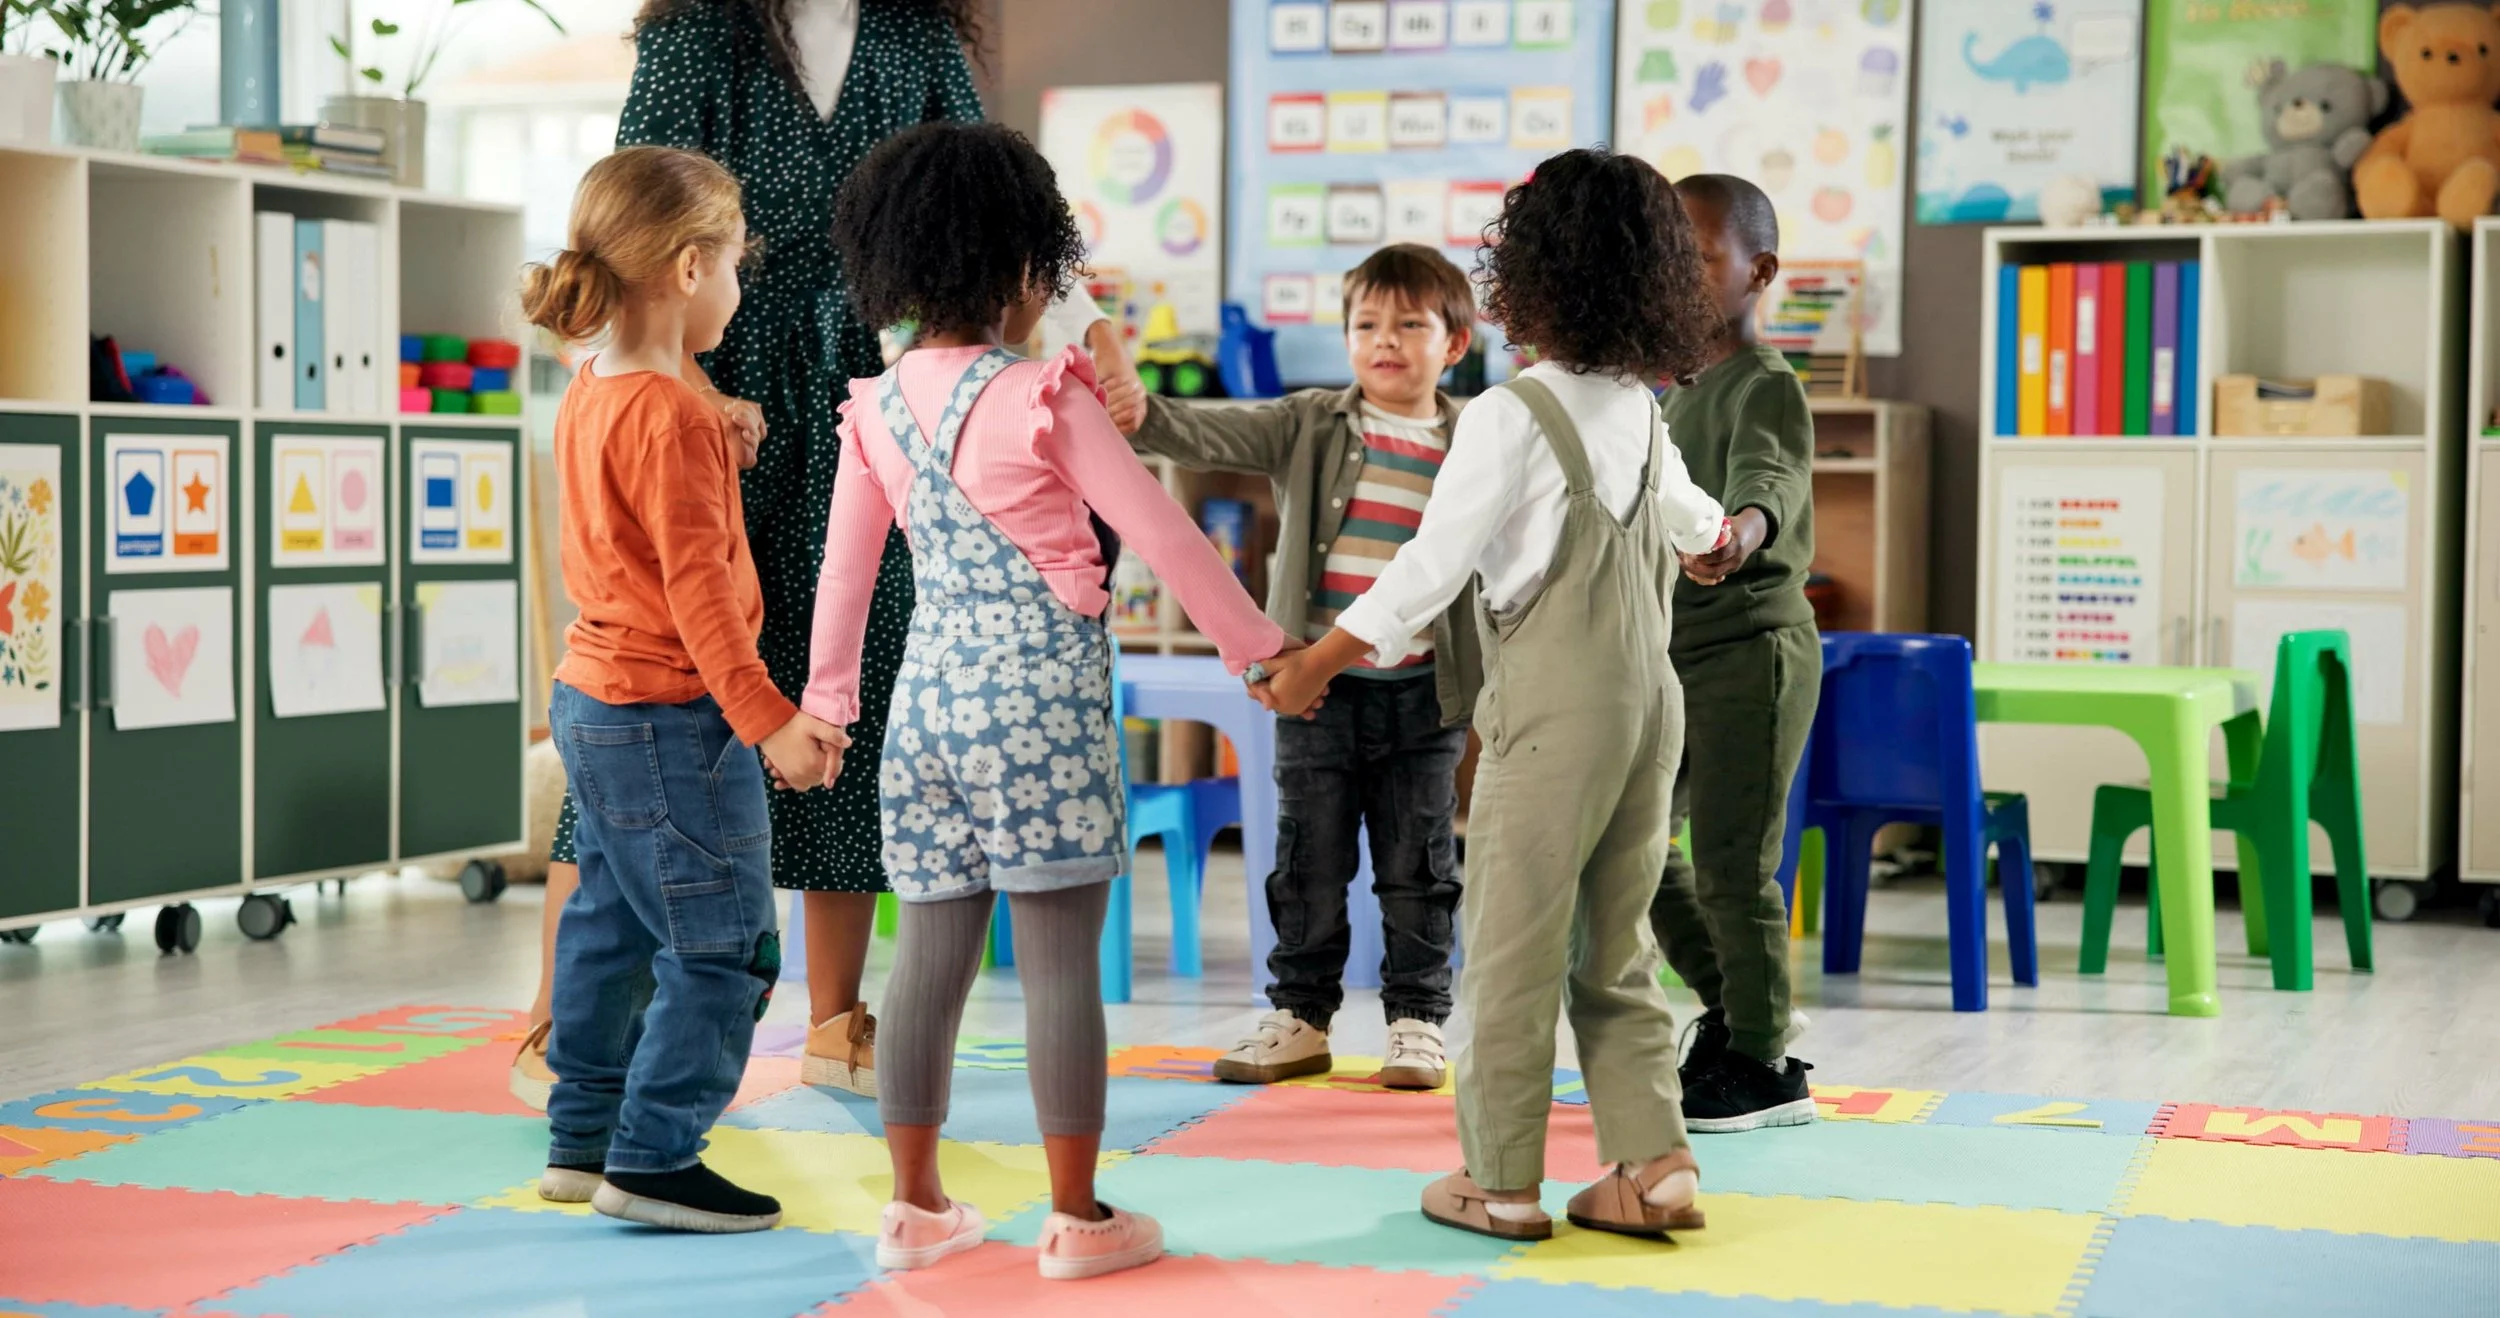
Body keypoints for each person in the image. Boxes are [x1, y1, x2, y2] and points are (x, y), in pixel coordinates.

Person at [513, 0, 1137, 1108]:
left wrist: (1092, 327)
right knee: (659, 666)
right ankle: (564, 1019)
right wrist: (696, 385)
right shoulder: (698, 38)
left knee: (849, 672)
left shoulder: (913, 40)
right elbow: (629, 220)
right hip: (710, 363)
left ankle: (836, 1014)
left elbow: (997, 195)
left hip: (869, 387)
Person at [811, 121, 1291, 1280]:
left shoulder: (874, 406)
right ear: (1025, 270)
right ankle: (1076, 1215)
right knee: (1061, 961)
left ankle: (916, 1204)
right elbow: (1166, 535)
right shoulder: (1043, 394)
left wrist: (828, 704)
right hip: (1037, 705)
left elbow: (847, 571)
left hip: (922, 706)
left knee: (926, 957)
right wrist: (1261, 650)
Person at [1256, 149, 1730, 1242]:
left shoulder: (1513, 416)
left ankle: (1501, 1180)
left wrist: (1317, 662)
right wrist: (1709, 549)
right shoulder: (1640, 412)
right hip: (1651, 708)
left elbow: (1427, 572)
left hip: (1555, 717)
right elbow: (1701, 530)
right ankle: (1653, 1164)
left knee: (1513, 950)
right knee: (1615, 946)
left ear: (1529, 276)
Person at [519, 145, 849, 1232]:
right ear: (693, 268)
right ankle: (655, 1157)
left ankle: (582, 1137)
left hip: (594, 698)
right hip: (673, 714)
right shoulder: (674, 416)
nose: (741, 289)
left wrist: (720, 424)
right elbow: (701, 598)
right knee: (727, 946)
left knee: (610, 929)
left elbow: (644, 522)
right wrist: (774, 724)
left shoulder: (596, 388)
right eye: (738, 268)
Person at [1121, 244, 1477, 1090]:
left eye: (1410, 325)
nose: (1384, 341)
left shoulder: (1476, 441)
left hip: (1427, 695)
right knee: (1308, 860)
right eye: (1365, 325)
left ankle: (1417, 1022)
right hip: (1317, 693)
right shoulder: (1312, 420)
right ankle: (1300, 1017)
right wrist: (1135, 405)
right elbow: (1199, 428)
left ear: (1454, 343)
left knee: (1418, 866)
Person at [1648, 173, 1820, 1133]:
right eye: (1667, 254)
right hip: (1672, 658)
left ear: (1758, 273)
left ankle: (1766, 1065)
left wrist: (1739, 532)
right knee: (1630, 848)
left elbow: (1770, 478)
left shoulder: (1762, 384)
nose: (1677, 274)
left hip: (1751, 653)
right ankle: (1740, 1010)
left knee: (1731, 863)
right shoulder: (1670, 393)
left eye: (1700, 255)